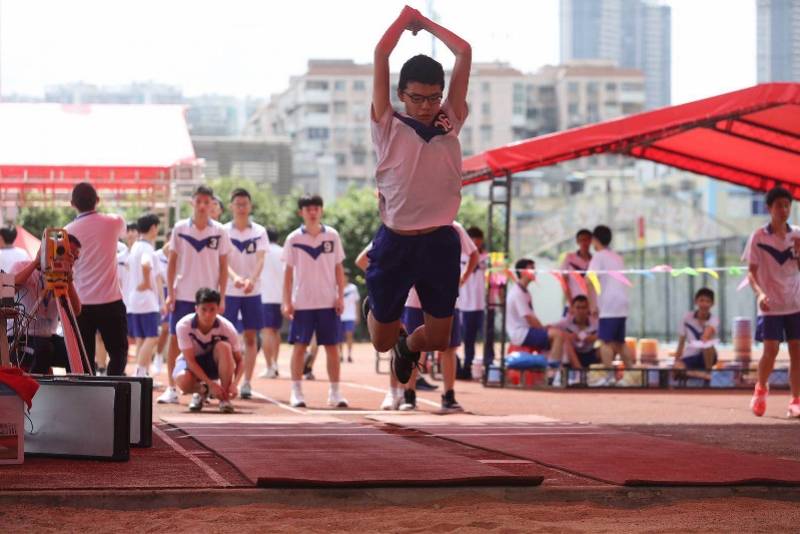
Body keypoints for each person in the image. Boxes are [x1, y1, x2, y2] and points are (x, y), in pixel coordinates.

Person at [366, 6, 471, 386]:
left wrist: (426, 24)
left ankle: (408, 347)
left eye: (433, 98)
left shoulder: (449, 119)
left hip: (440, 241)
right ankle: (377, 311)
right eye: (417, 98)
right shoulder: (387, 124)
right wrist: (404, 19)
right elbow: (381, 54)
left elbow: (464, 52)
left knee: (440, 340)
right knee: (379, 342)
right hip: (396, 241)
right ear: (401, 94)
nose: (426, 107)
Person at [158, 185, 231, 404]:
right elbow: (171, 263)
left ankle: (209, 388)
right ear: (192, 202)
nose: (202, 206)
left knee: (209, 343)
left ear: (212, 205)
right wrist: (170, 293)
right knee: (174, 339)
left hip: (208, 299)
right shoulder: (180, 228)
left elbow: (224, 266)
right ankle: (171, 387)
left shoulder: (220, 231)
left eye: (206, 202)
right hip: (183, 294)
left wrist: (223, 296)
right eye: (198, 201)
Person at [282, 194, 347, 408]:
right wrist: (287, 301)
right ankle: (296, 391)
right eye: (308, 208)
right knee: (300, 347)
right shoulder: (293, 239)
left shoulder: (332, 236)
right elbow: (288, 273)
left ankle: (335, 392)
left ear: (321, 210)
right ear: (301, 212)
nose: (312, 212)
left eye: (316, 208)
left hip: (328, 302)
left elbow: (339, 268)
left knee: (332, 347)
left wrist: (340, 295)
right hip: (302, 303)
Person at [744, 186, 800, 418]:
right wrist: (760, 294)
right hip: (770, 305)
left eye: (787, 205)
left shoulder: (797, 234)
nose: (784, 210)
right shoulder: (758, 237)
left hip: (795, 303)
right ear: (769, 208)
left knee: (797, 351)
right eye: (779, 206)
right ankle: (761, 388)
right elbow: (751, 273)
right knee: (771, 350)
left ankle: (796, 400)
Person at [64, 182, 129, 376]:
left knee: (84, 356)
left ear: (72, 204)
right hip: (111, 301)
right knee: (118, 352)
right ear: (97, 200)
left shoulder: (66, 231)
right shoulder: (115, 222)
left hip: (80, 304)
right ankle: (113, 388)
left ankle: (90, 394)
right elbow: (123, 233)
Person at [11, 235, 82, 373]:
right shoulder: (22, 266)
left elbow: (76, 311)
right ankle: (36, 391)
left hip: (48, 336)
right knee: (44, 349)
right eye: (67, 253)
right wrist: (36, 262)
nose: (71, 259)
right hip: (22, 336)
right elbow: (9, 289)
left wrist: (69, 281)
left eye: (74, 257)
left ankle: (75, 389)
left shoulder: (66, 276)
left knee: (74, 350)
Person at [223, 188, 267, 399]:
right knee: (225, 338)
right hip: (229, 291)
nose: (241, 208)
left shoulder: (259, 231)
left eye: (245, 204)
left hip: (253, 292)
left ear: (250, 206)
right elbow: (222, 261)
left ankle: (247, 382)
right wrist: (235, 279)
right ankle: (226, 379)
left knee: (251, 337)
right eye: (237, 204)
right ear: (231, 206)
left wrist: (251, 280)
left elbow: (260, 259)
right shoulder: (223, 231)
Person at [173, 288, 242, 413]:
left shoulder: (227, 328)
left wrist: (235, 384)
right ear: (196, 309)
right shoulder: (183, 326)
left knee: (224, 347)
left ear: (218, 309)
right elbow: (190, 360)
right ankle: (202, 391)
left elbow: (240, 360)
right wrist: (210, 385)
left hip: (214, 364)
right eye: (203, 309)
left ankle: (224, 398)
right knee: (182, 380)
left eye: (212, 310)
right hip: (192, 364)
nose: (208, 314)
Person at [587, 225, 633, 369]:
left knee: (605, 342)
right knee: (620, 342)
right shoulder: (617, 257)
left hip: (609, 304)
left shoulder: (598, 256)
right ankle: (633, 373)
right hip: (622, 303)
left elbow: (589, 280)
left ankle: (608, 375)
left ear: (594, 240)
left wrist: (592, 304)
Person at [505, 258, 565, 368]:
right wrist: (544, 329)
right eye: (532, 269)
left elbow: (532, 318)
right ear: (523, 272)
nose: (535, 271)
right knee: (558, 335)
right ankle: (552, 372)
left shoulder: (525, 292)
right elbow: (529, 318)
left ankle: (551, 368)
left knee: (556, 332)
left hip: (526, 331)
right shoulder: (517, 293)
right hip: (520, 334)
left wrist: (544, 328)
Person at [126, 214, 164, 378]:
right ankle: (141, 372)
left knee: (141, 338)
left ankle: (142, 371)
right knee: (152, 337)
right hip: (146, 300)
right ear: (153, 228)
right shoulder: (148, 248)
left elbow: (128, 266)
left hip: (134, 300)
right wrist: (147, 283)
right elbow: (146, 264)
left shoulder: (134, 247)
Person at [458, 226, 488, 380]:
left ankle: (489, 366)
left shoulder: (487, 258)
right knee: (467, 339)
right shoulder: (460, 256)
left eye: (479, 240)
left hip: (482, 305)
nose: (476, 243)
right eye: (473, 240)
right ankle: (467, 366)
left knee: (486, 338)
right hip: (465, 304)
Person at [672, 288, 719, 372]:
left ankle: (708, 373)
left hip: (707, 356)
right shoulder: (687, 318)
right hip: (690, 356)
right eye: (701, 300)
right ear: (696, 301)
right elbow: (681, 342)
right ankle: (704, 376)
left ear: (712, 304)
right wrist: (676, 360)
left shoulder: (714, 319)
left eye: (708, 301)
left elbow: (705, 337)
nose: (704, 304)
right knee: (677, 369)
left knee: (707, 345)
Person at [259, 226, 284, 378]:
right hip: (280, 297)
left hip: (265, 296)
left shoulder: (263, 252)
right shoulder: (282, 251)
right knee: (275, 331)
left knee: (267, 332)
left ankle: (270, 366)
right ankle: (275, 363)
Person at [557, 295, 600, 369]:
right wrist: (569, 336)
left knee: (606, 345)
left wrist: (594, 337)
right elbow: (551, 329)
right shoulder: (566, 322)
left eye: (583, 308)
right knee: (566, 343)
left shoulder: (595, 322)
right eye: (578, 308)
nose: (580, 311)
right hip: (573, 354)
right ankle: (579, 371)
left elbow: (607, 334)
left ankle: (604, 373)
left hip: (590, 352)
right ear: (572, 309)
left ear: (588, 309)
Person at [560, 229, 594, 316]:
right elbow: (564, 281)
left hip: (589, 306)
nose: (584, 243)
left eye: (586, 240)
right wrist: (571, 303)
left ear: (591, 241)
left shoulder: (594, 261)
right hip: (572, 304)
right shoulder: (569, 258)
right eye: (581, 240)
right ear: (577, 242)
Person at [339, 272, 359, 363]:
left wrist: (357, 315)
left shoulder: (353, 288)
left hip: (350, 316)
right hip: (339, 317)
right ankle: (340, 355)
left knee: (349, 335)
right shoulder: (336, 288)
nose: (344, 278)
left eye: (345, 276)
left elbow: (357, 302)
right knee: (339, 337)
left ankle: (349, 355)